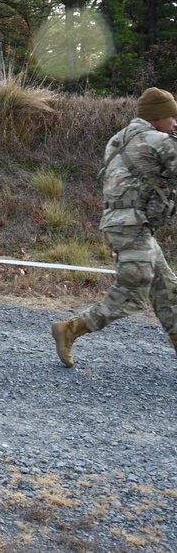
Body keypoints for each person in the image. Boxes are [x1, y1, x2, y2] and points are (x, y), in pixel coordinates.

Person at [52, 87, 177, 368]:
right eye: (171, 117)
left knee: (168, 290)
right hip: (132, 227)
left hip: (126, 225)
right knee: (132, 294)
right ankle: (69, 329)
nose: (175, 123)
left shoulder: (120, 138)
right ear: (157, 117)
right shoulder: (157, 140)